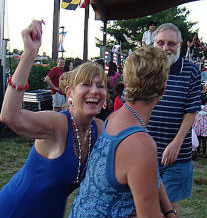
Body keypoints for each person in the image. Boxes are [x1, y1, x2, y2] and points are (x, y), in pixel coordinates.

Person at [0, 20, 107, 218]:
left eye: (100, 86)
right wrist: (29, 55)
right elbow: (9, 116)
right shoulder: (58, 124)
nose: (94, 91)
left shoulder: (98, 129)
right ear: (69, 93)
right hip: (15, 210)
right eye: (86, 85)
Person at [69, 46, 177, 218]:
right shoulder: (140, 143)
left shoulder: (115, 118)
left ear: (126, 84)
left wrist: (169, 211)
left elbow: (150, 172)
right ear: (163, 90)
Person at [147, 23, 202, 216]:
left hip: (176, 153)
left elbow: (191, 111)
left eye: (171, 43)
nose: (165, 48)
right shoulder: (147, 69)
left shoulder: (191, 71)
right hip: (146, 152)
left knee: (166, 204)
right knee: (161, 207)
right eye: (160, 42)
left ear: (180, 45)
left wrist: (176, 144)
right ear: (153, 43)